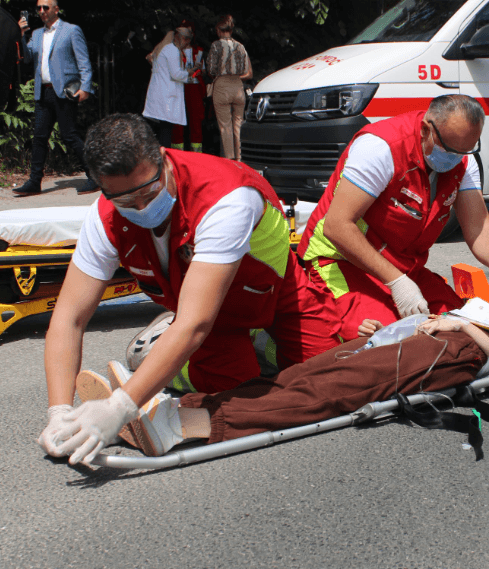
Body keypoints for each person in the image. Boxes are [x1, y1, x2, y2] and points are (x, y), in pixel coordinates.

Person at [36, 113, 341, 463]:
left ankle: (156, 354)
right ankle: (170, 364)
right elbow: (69, 318)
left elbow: (194, 323)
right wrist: (58, 412)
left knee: (329, 381)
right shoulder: (103, 216)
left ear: (164, 159)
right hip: (212, 318)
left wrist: (121, 406)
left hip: (275, 294)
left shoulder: (225, 196)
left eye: (149, 191)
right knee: (242, 400)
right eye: (124, 202)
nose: (141, 208)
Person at [67, 299, 489, 461]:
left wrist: (462, 323)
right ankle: (171, 405)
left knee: (334, 391)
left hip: (457, 351)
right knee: (303, 373)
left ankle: (186, 424)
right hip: (428, 333)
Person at [298, 94, 489, 341]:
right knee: (385, 338)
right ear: (426, 130)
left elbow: (477, 226)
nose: (456, 158)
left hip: (403, 269)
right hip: (341, 262)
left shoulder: (462, 159)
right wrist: (397, 282)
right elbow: (337, 225)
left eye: (466, 150)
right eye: (450, 149)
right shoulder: (381, 147)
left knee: (463, 325)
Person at [13, 0, 97, 197]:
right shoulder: (37, 33)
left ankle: (94, 177)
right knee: (39, 138)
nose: (41, 11)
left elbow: (83, 61)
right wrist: (21, 35)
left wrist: (85, 87)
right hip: (44, 91)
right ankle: (34, 182)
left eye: (45, 7)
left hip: (64, 91)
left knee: (69, 135)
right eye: (39, 8)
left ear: (56, 9)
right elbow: (26, 58)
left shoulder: (71, 30)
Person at [147, 20, 207, 153]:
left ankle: (181, 155)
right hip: (173, 91)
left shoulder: (168, 49)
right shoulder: (172, 50)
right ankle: (172, 156)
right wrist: (190, 73)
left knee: (175, 125)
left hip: (182, 91)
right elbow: (175, 74)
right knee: (171, 127)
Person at [206, 15, 251, 160]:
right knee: (238, 123)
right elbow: (245, 69)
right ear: (231, 30)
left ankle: (230, 160)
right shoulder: (240, 46)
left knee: (225, 126)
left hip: (222, 85)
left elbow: (211, 70)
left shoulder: (216, 45)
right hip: (238, 86)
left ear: (219, 29)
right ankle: (240, 159)